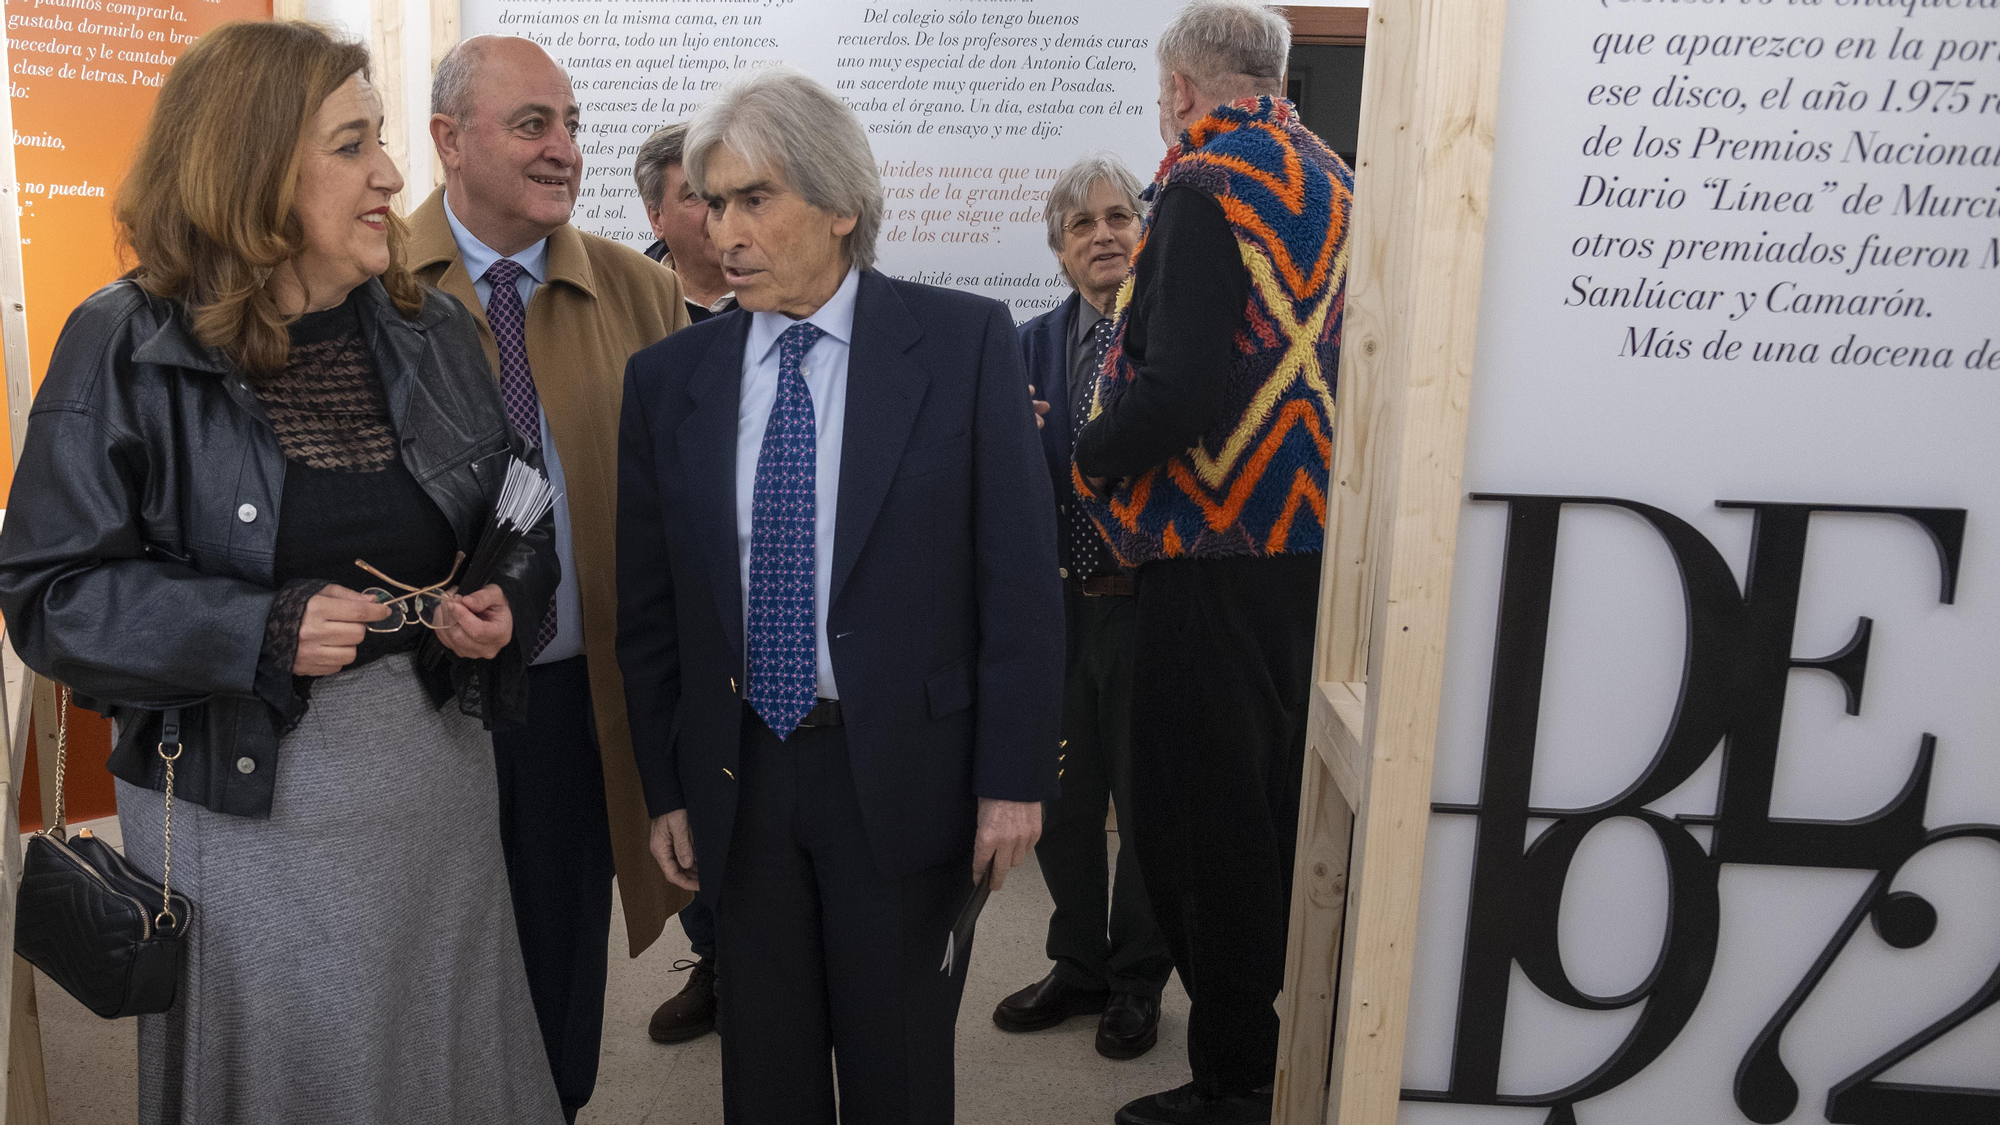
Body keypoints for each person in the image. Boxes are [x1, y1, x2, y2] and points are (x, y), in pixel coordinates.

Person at [0, 21, 563, 1123]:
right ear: (253, 165)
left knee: (438, 1059)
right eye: (353, 145)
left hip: (435, 784)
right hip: (248, 804)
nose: (392, 175)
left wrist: (512, 596)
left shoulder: (429, 329)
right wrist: (255, 626)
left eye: (380, 140)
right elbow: (49, 596)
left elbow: (518, 513)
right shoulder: (125, 343)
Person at [617, 67, 1063, 1124]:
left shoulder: (960, 345)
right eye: (712, 202)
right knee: (763, 1075)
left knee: (897, 1069)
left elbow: (1019, 583)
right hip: (741, 773)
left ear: (839, 205)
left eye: (753, 199)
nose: (724, 229)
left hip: (905, 773)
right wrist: (663, 787)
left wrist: (1011, 776)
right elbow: (647, 610)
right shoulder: (669, 380)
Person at [1071, 2, 1355, 1122]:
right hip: (1310, 550)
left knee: (1194, 829)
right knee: (1274, 814)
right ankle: (1274, 1053)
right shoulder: (1336, 179)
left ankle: (1234, 1081)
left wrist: (1086, 456)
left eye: (1157, 96)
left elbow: (1178, 389)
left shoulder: (1203, 185)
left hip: (1210, 548)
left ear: (1182, 90)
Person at [409, 35, 692, 1122]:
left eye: (570, 124)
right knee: (431, 953)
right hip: (418, 705)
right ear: (448, 140)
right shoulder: (371, 288)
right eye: (533, 124)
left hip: (578, 702)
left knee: (561, 963)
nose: (564, 148)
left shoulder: (637, 293)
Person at [994, 152, 1172, 1061]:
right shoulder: (1023, 346)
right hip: (1057, 611)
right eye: (1082, 226)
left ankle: (1139, 980)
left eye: (1119, 218)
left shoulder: (1175, 342)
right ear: (1059, 251)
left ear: (1144, 235)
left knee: (1145, 803)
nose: (1103, 235)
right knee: (1061, 797)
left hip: (1149, 609)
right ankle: (1080, 962)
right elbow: (989, 482)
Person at [637, 122, 736, 326]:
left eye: (727, 189)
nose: (719, 206)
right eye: (695, 195)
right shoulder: (629, 300)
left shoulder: (789, 294)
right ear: (657, 219)